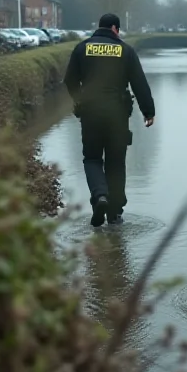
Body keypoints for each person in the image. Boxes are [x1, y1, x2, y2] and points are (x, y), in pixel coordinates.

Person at [63, 13, 155, 227]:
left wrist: (80, 101)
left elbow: (69, 80)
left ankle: (100, 197)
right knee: (116, 162)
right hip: (117, 115)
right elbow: (139, 83)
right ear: (115, 28)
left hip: (91, 114)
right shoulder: (125, 50)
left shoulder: (82, 48)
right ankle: (114, 213)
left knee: (92, 159)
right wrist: (148, 111)